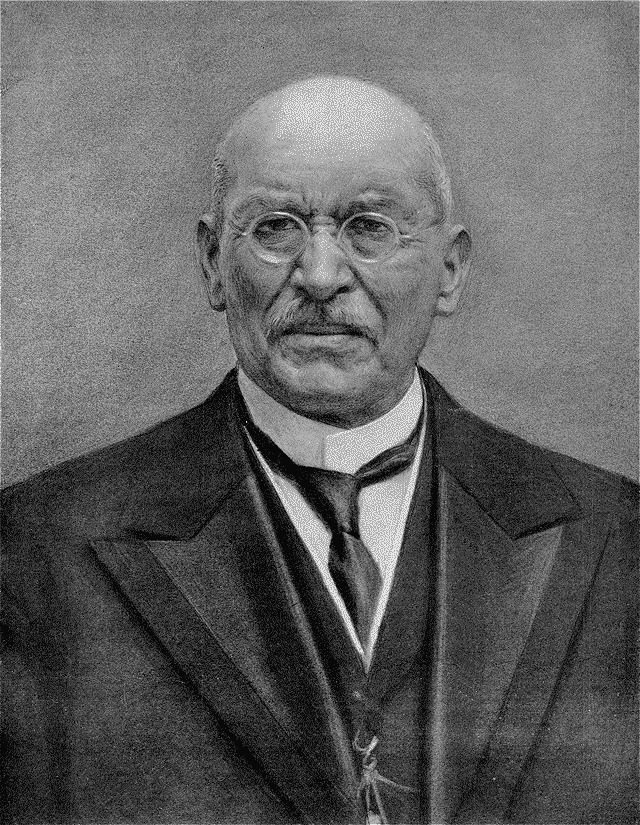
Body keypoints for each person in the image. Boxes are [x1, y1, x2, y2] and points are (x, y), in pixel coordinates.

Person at [2, 76, 637, 825]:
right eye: (276, 228)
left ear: (450, 270)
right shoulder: (37, 548)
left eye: (370, 227)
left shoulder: (617, 538)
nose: (322, 276)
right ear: (212, 262)